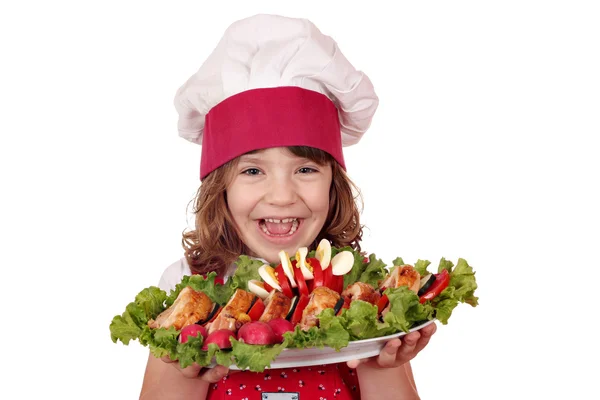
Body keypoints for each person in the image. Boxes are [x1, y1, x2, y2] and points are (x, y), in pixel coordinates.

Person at [140, 14, 436, 400]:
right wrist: (188, 370)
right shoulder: (189, 288)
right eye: (252, 170)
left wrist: (380, 360)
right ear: (220, 188)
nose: (281, 195)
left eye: (306, 168)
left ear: (334, 185)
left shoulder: (361, 293)